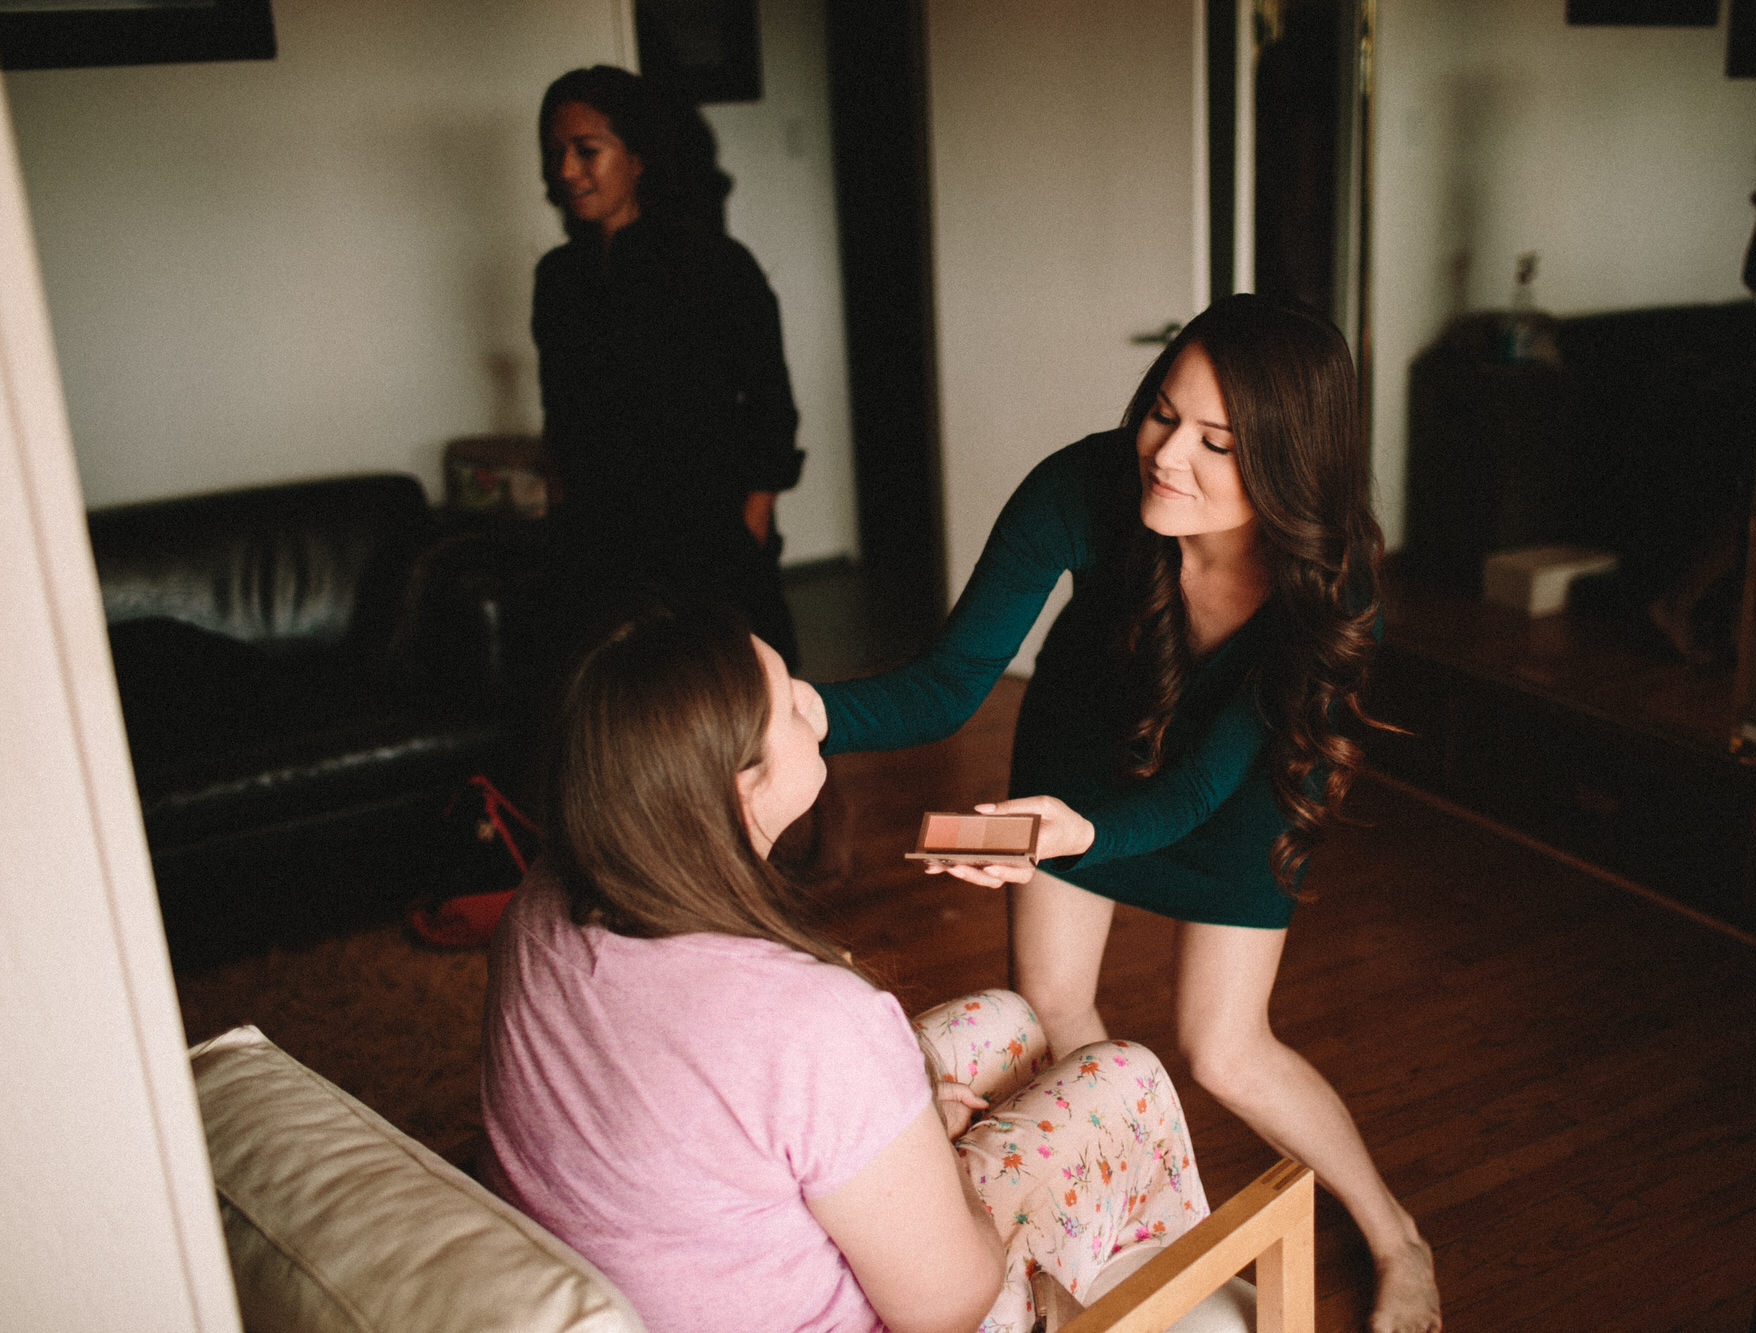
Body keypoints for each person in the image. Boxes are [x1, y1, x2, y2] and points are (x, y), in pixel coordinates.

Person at [817, 294, 1443, 1333]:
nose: (1164, 456)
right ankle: (1152, 1244)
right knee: (1054, 1008)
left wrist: (1079, 837)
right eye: (1161, 412)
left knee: (1223, 1049)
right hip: (1087, 743)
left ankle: (1394, 1233)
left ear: (1285, 464)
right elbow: (945, 685)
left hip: (1231, 789)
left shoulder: (1324, 591)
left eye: (1216, 442)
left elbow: (1195, 793)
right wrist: (795, 712)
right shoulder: (1083, 485)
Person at [479, 604, 1208, 1333]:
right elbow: (950, 1306)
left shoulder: (542, 900)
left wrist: (907, 1130)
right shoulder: (810, 1018)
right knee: (1128, 1079)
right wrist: (938, 1161)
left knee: (1010, 1019)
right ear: (742, 787)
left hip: (671, 1260)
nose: (814, 701)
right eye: (790, 704)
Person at [532, 65, 804, 665]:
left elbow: (770, 403)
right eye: (556, 154)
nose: (566, 171)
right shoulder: (557, 278)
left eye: (587, 151)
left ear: (639, 158)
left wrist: (750, 527)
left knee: (730, 702)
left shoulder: (716, 265)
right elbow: (558, 406)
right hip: (597, 531)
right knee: (615, 708)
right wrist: (561, 502)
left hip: (704, 527)